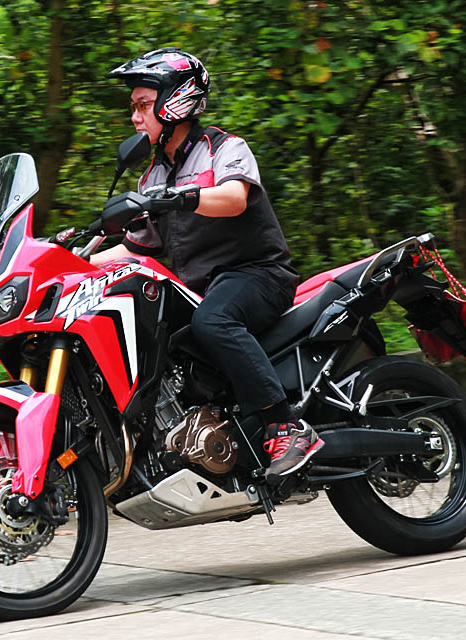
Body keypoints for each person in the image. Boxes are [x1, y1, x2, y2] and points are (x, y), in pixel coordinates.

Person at [92, 47, 322, 482]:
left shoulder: (223, 148)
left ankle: (286, 425)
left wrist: (183, 196)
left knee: (213, 322)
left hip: (257, 274)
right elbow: (138, 248)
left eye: (143, 105)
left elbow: (235, 199)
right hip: (203, 287)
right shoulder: (152, 176)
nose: (135, 118)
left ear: (174, 101)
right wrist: (70, 260)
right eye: (133, 108)